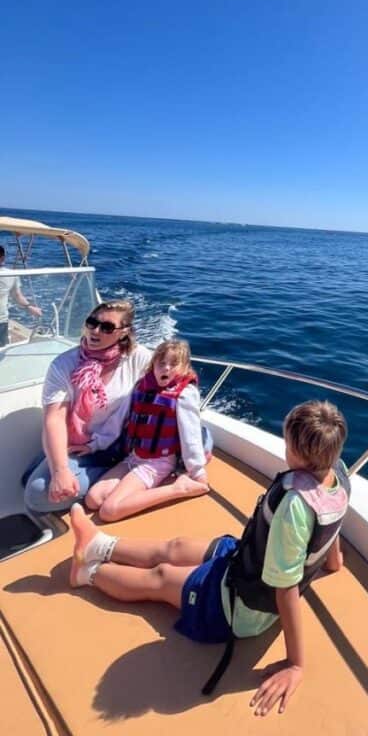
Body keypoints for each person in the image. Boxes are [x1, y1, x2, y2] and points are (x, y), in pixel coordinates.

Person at [68, 400, 350, 717]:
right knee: (177, 547)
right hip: (245, 562)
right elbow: (330, 522)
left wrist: (296, 664)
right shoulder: (338, 475)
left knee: (161, 576)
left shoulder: (294, 508)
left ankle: (87, 572)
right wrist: (333, 562)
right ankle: (98, 544)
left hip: (242, 607)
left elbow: (285, 588)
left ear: (295, 451)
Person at [24, 300, 152, 513]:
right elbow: (55, 418)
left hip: (118, 443)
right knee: (29, 481)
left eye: (107, 327)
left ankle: (118, 472)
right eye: (92, 323)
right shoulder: (64, 364)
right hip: (80, 445)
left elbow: (172, 386)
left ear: (124, 332)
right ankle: (106, 474)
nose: (96, 330)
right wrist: (60, 470)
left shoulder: (138, 358)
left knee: (37, 495)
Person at [85, 339, 210, 521]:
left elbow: (190, 437)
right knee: (93, 499)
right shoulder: (140, 387)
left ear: (184, 368)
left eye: (174, 364)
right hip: (134, 457)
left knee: (109, 511)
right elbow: (117, 420)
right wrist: (94, 445)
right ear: (153, 365)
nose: (166, 368)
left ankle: (178, 488)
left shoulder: (185, 394)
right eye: (161, 363)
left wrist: (197, 471)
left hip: (158, 462)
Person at [0, 243, 43, 347]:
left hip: (1, 321)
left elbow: (17, 295)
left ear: (2, 258)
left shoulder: (10, 275)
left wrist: (30, 308)